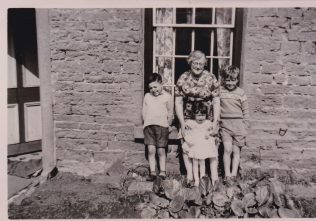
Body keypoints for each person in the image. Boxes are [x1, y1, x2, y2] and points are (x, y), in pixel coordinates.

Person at [175, 50, 221, 187]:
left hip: (207, 117)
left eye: (201, 63)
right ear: (190, 63)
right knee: (187, 146)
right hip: (188, 117)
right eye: (195, 63)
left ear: (205, 64)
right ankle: (190, 175)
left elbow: (216, 100)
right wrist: (182, 123)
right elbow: (178, 102)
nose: (198, 66)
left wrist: (215, 121)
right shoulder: (183, 78)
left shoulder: (211, 78)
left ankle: (213, 176)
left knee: (211, 145)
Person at [219, 65, 249, 185]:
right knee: (227, 149)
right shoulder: (220, 91)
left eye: (233, 80)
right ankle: (227, 174)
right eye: (228, 80)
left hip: (238, 125)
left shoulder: (241, 93)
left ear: (237, 80)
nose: (230, 83)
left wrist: (245, 125)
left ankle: (233, 174)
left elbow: (246, 110)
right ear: (224, 80)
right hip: (225, 124)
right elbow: (215, 106)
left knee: (236, 151)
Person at [142, 73, 173, 181]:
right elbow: (144, 112)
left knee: (161, 150)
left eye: (155, 87)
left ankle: (163, 172)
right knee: (151, 149)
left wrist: (168, 125)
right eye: (150, 88)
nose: (153, 90)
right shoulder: (147, 96)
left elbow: (170, 113)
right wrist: (146, 123)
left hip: (162, 127)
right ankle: (153, 172)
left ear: (161, 83)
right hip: (149, 127)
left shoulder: (167, 97)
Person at [182, 102, 218, 187]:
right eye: (198, 115)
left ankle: (202, 179)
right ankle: (196, 179)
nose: (201, 118)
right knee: (195, 162)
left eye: (203, 115)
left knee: (202, 162)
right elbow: (186, 132)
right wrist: (189, 142)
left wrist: (208, 133)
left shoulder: (207, 123)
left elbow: (211, 131)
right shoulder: (191, 123)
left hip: (203, 145)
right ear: (194, 115)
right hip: (194, 145)